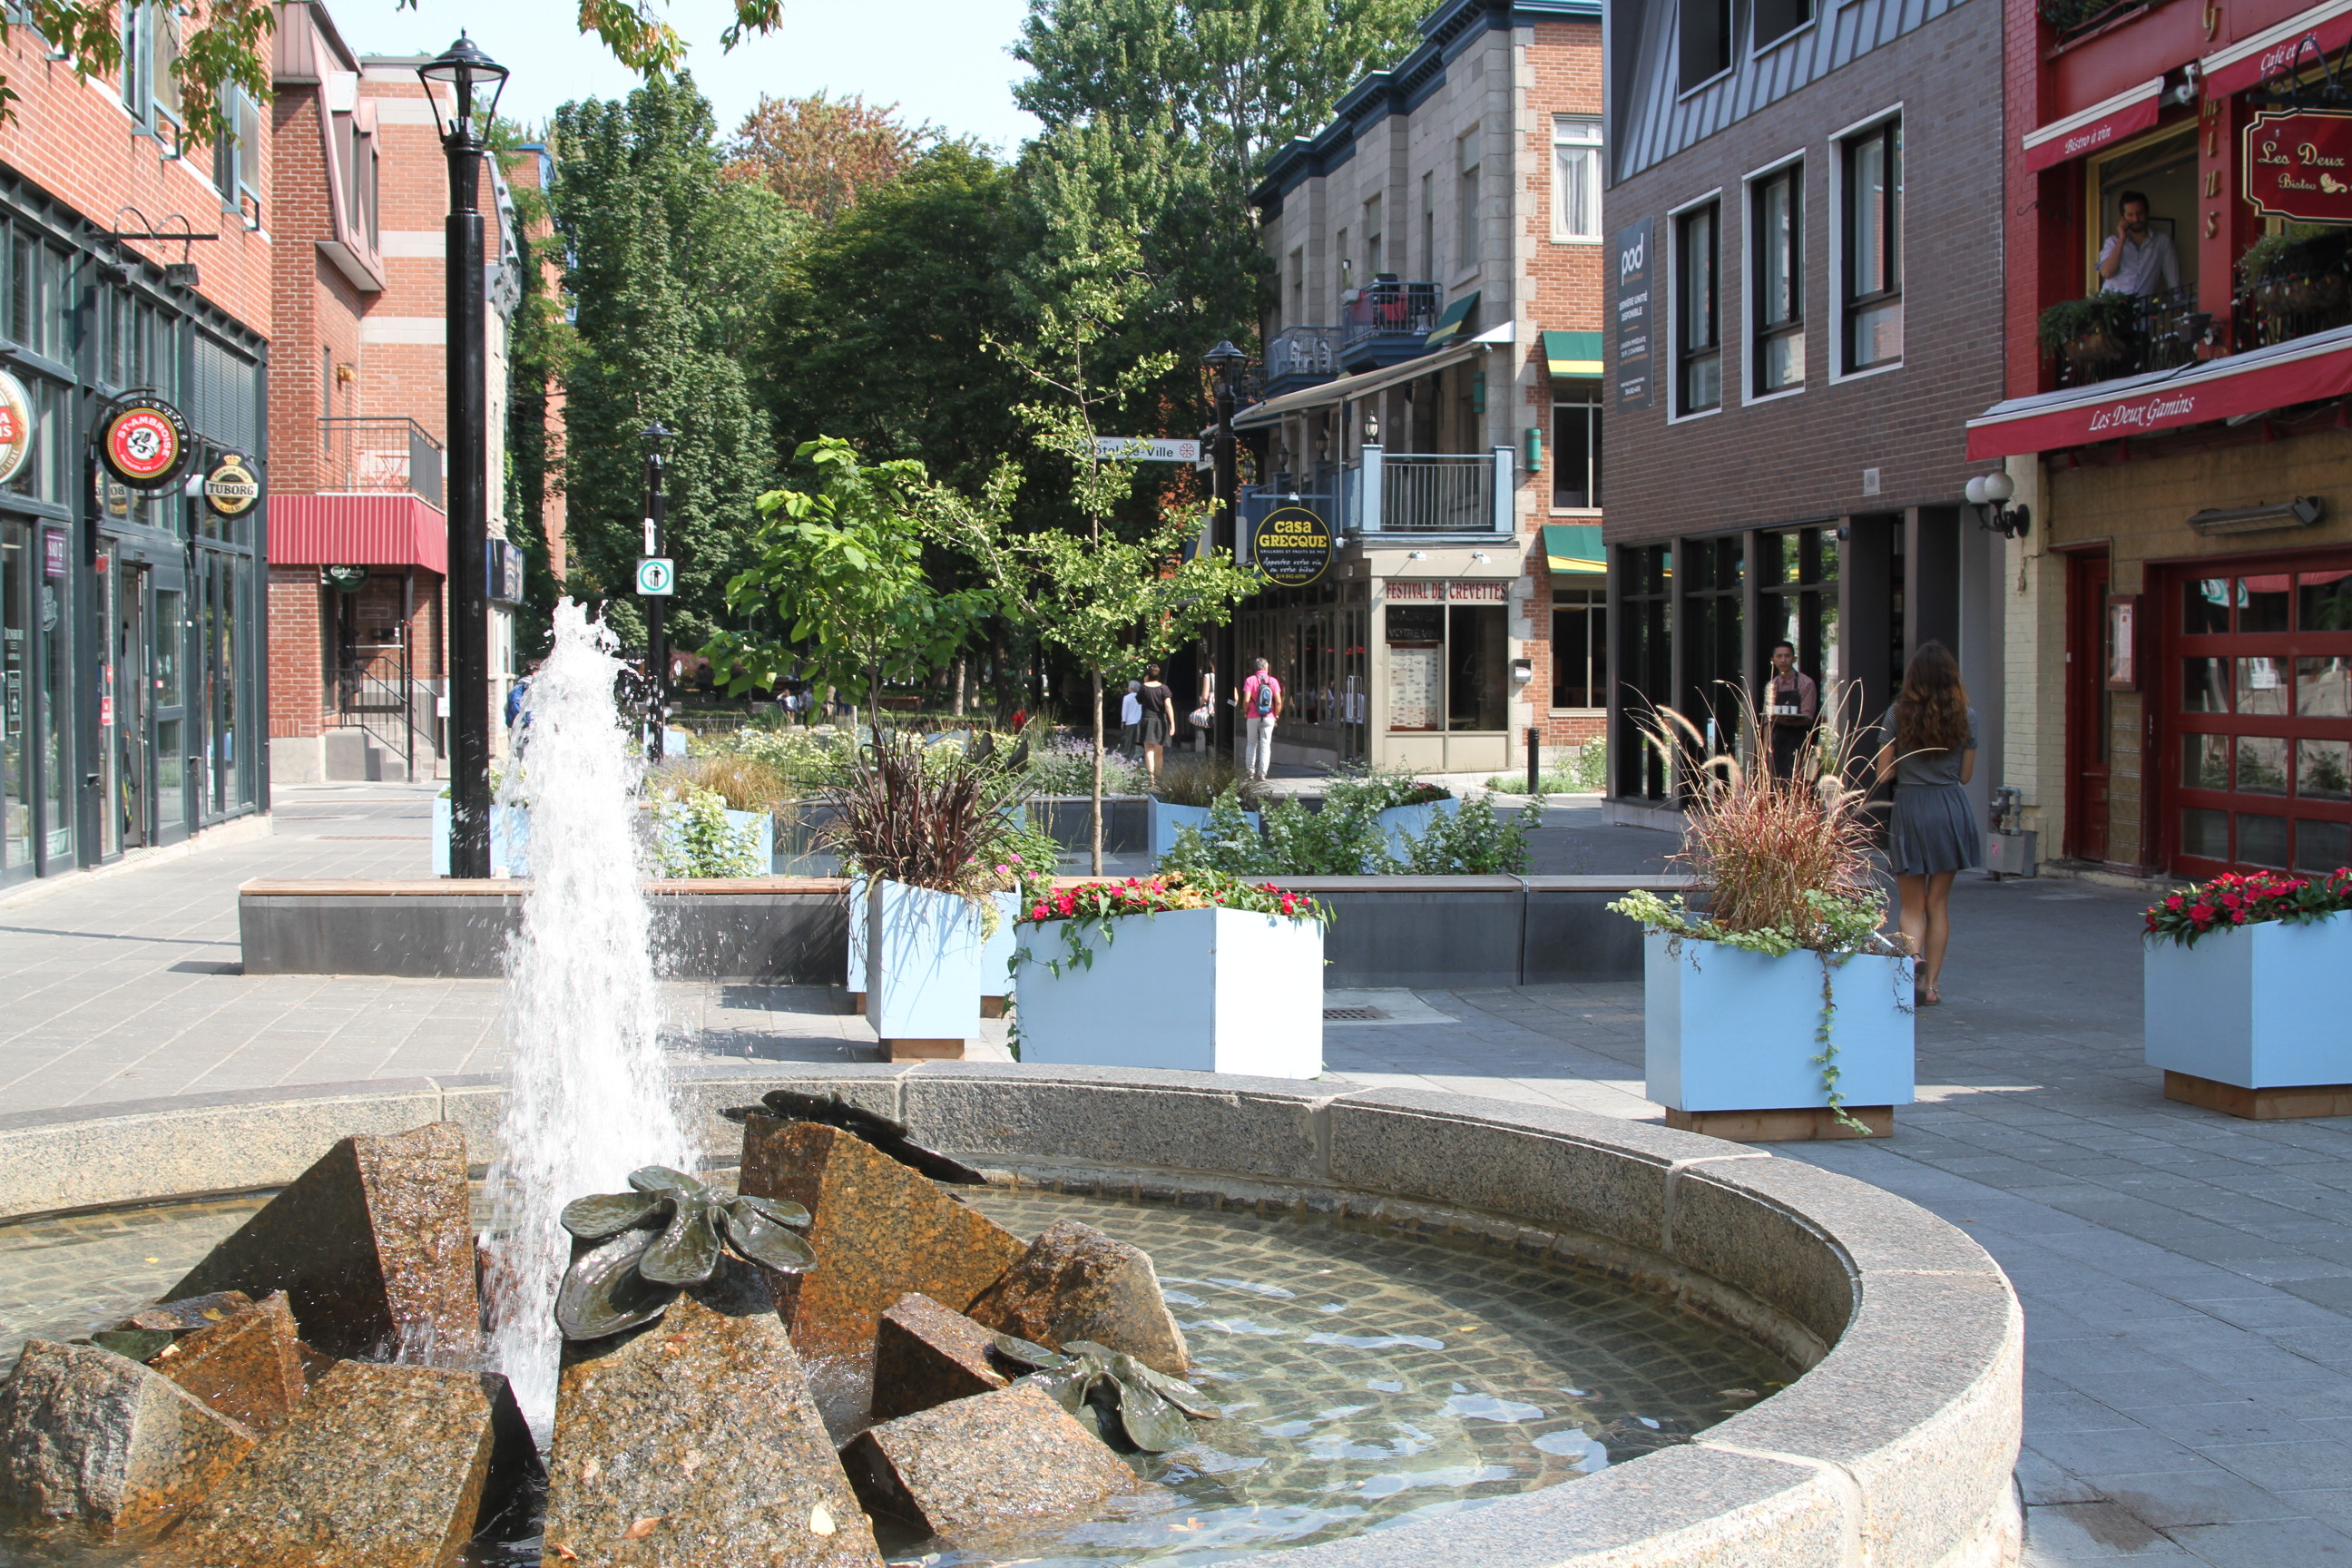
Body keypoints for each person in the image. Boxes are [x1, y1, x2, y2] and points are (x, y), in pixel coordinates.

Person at [1871, 641, 1981, 1007]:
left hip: (1911, 807)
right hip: (1949, 807)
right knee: (1939, 904)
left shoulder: (1897, 714)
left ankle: (1913, 961)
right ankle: (1931, 986)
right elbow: (1965, 776)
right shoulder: (1967, 716)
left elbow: (1883, 773)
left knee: (1911, 905)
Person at [2098, 191, 2179, 300]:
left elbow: (2173, 278)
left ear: (2146, 213)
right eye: (2130, 215)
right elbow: (2107, 273)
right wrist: (2122, 239)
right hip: (2112, 305)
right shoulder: (2112, 242)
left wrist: (2178, 301)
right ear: (2123, 218)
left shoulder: (2162, 241)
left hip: (2143, 307)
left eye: (2140, 213)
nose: (2136, 219)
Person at [1764, 641, 1818, 780]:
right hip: (1776, 745)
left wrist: (1785, 720)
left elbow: (1808, 718)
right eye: (1779, 656)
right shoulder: (1771, 686)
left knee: (1797, 782)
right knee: (1776, 784)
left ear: (1794, 659)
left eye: (1787, 656)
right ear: (1773, 660)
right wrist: (1764, 751)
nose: (1783, 660)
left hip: (1798, 742)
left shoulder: (1806, 683)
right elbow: (1766, 721)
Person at [1241, 656, 1282, 780]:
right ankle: (1263, 773)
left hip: (1253, 716)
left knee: (1251, 743)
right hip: (1269, 716)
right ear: (1266, 668)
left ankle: (1250, 772)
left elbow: (1246, 700)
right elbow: (1278, 701)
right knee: (1265, 745)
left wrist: (1245, 712)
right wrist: (1276, 715)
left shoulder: (1250, 680)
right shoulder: (1273, 681)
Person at [1137, 664, 1177, 780]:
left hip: (1147, 719)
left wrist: (1145, 683)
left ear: (1147, 675)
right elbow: (1168, 706)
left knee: (1149, 750)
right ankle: (1158, 777)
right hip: (1161, 721)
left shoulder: (1143, 688)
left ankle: (1151, 778)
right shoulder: (1164, 688)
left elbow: (1139, 701)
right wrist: (1172, 724)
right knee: (1159, 752)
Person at [1119, 680, 1142, 760]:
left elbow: (1124, 711)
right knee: (1139, 739)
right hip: (1140, 721)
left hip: (1130, 721)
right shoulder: (1141, 697)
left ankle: (1126, 754)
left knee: (1129, 739)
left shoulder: (1127, 698)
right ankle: (1138, 756)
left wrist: (1123, 721)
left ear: (1131, 688)